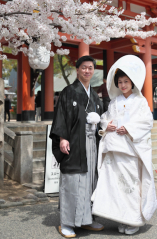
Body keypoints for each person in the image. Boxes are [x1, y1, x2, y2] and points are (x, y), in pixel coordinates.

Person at [92, 55, 157, 236]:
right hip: (115, 150)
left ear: (132, 82)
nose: (122, 85)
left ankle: (133, 219)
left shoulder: (140, 101)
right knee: (116, 187)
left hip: (130, 149)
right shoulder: (114, 101)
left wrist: (128, 128)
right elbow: (105, 118)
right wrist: (107, 125)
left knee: (130, 185)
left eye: (126, 81)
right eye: (120, 82)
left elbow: (147, 122)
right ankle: (122, 219)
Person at [50, 55, 104, 238]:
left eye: (90, 68)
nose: (87, 71)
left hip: (92, 145)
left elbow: (102, 120)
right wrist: (62, 138)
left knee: (90, 181)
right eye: (84, 68)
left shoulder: (95, 95)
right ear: (77, 69)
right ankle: (66, 222)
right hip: (73, 142)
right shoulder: (68, 91)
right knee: (73, 181)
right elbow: (61, 116)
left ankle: (86, 220)